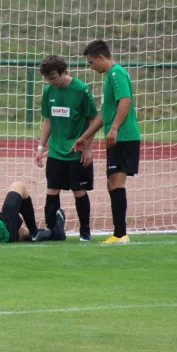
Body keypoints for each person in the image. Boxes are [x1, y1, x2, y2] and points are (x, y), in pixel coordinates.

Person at [74, 40, 141, 244]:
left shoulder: (116, 73)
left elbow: (126, 101)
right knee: (112, 184)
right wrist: (85, 137)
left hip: (124, 137)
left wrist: (114, 128)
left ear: (101, 58)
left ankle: (120, 234)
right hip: (117, 137)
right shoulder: (109, 78)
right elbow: (104, 114)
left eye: (91, 62)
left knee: (116, 183)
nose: (91, 66)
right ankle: (118, 232)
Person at [34, 55, 99, 242]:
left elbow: (93, 120)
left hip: (75, 151)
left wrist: (87, 148)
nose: (51, 81)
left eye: (53, 77)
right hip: (55, 150)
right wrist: (40, 147)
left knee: (79, 191)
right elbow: (48, 120)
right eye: (47, 79)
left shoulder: (81, 90)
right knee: (52, 190)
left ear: (64, 72)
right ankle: (52, 230)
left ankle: (85, 231)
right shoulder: (48, 91)